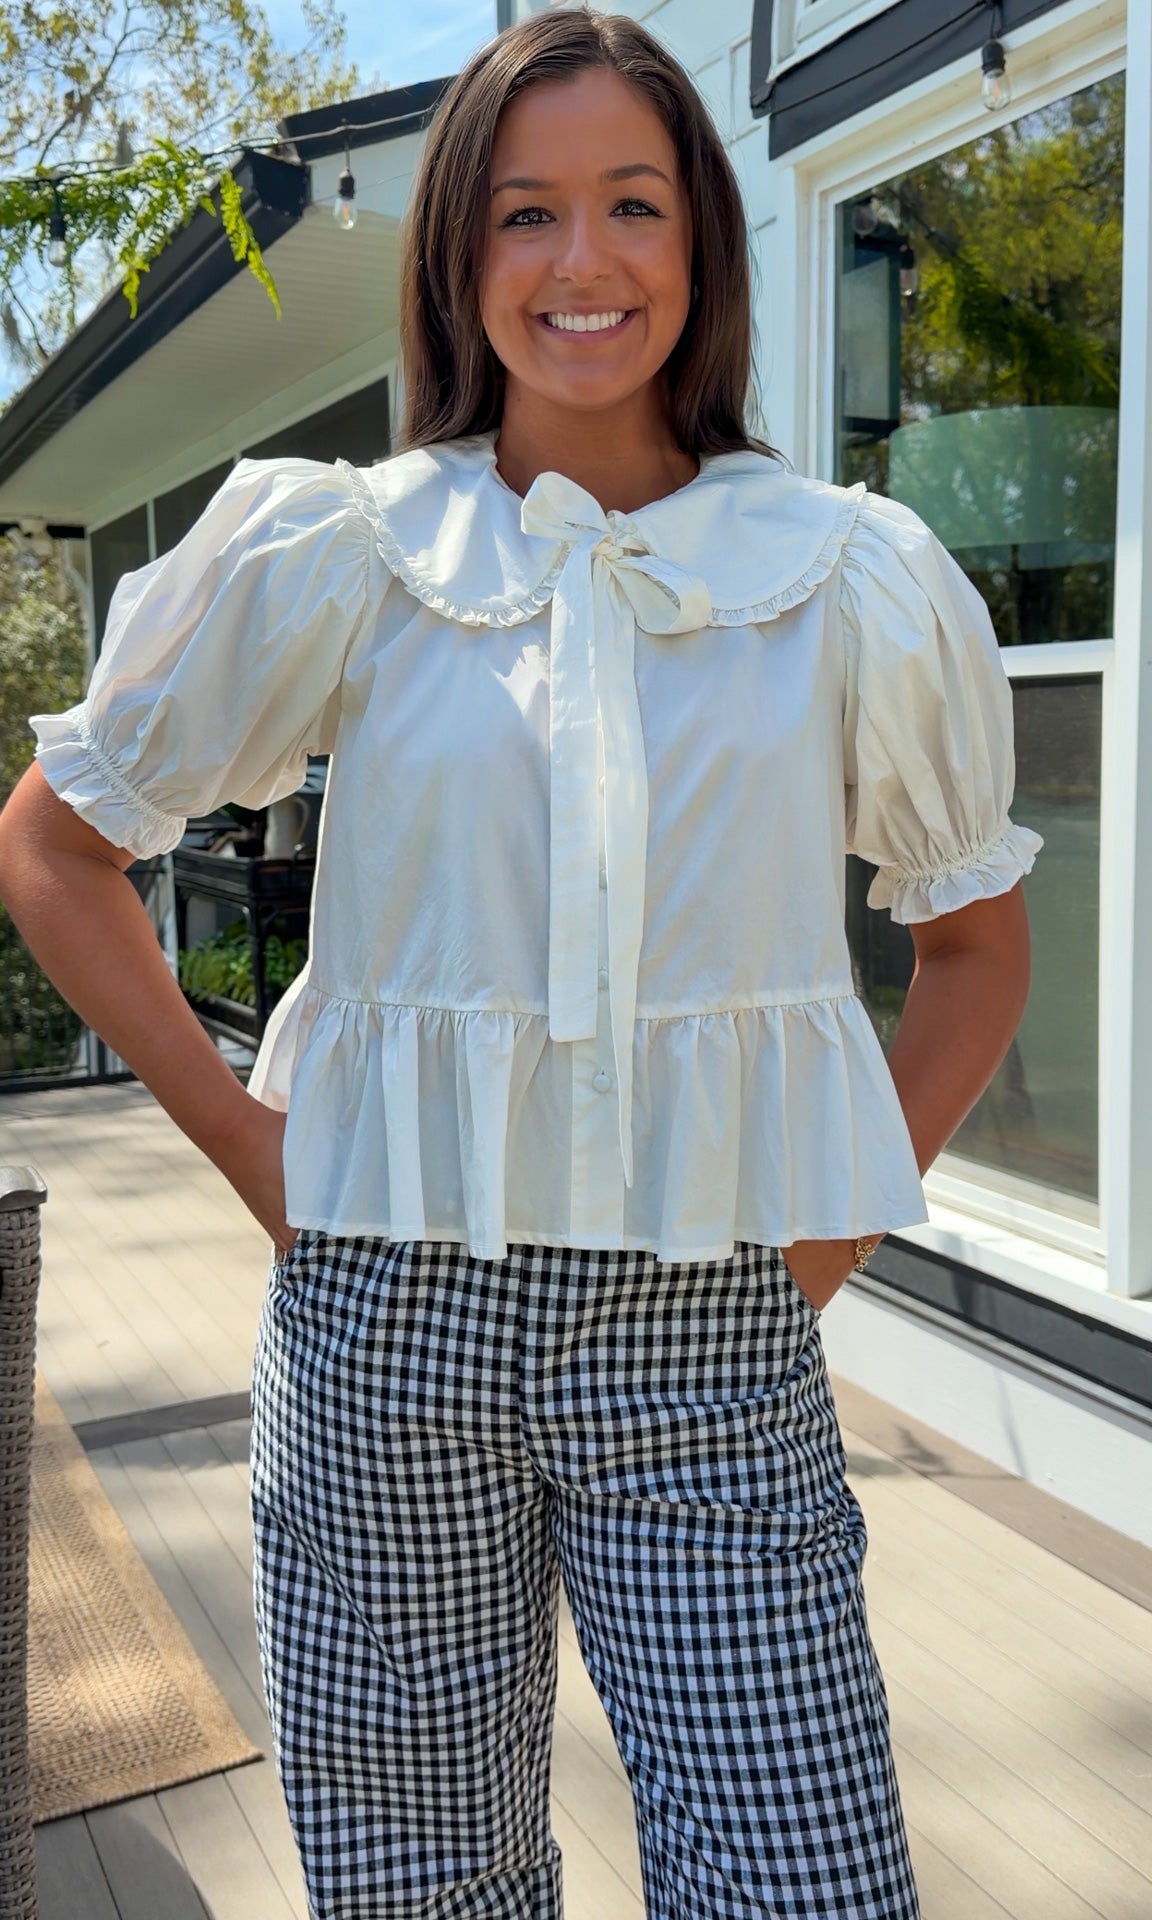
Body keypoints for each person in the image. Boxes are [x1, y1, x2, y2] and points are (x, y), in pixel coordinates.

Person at [0, 9, 1042, 1918]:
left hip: (714, 1324)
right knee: (421, 1881)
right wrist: (257, 1153)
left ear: (702, 240)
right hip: (385, 1317)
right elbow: (58, 848)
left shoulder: (846, 572)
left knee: (803, 1875)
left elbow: (973, 948)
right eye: (524, 212)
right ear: (459, 255)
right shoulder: (345, 548)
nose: (583, 261)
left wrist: (812, 1253)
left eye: (634, 204)